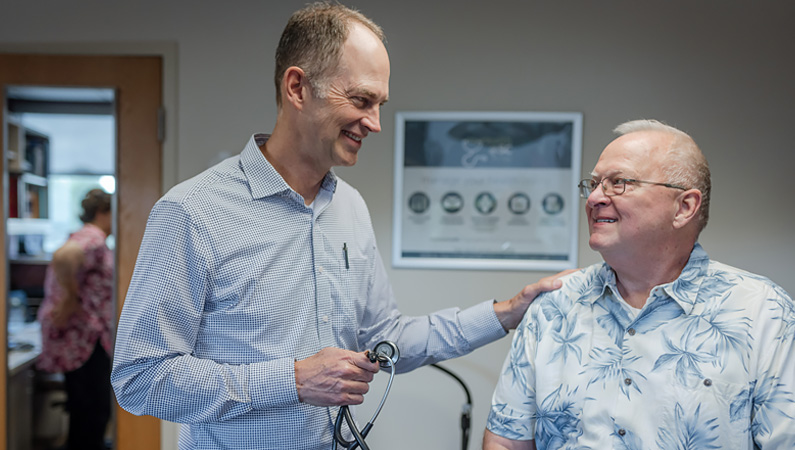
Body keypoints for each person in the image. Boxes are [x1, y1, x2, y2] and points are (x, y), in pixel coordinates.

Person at [110, 3, 564, 449]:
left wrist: (507, 312)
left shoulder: (350, 208)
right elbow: (139, 377)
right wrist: (292, 380)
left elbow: (389, 341)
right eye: (362, 100)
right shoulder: (192, 212)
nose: (376, 123)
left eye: (380, 104)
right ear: (297, 88)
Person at [483, 119, 795, 449]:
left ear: (684, 207)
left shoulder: (764, 312)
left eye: (619, 183)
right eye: (594, 184)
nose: (594, 199)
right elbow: (506, 441)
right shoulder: (553, 304)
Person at [37, 188, 114, 450]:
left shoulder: (87, 236)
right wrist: (69, 298)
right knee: (92, 407)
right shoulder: (93, 238)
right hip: (83, 338)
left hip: (82, 337)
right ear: (104, 213)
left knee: (84, 407)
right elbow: (64, 256)